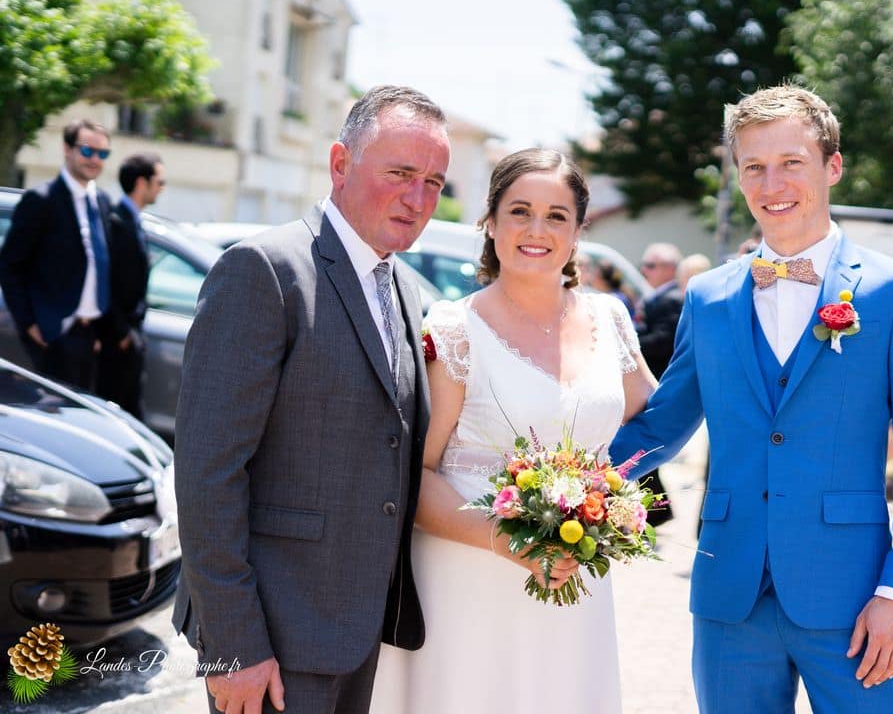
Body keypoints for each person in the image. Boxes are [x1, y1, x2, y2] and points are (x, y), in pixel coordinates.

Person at [609, 85, 893, 713]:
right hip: (729, 595)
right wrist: (568, 486)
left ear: (833, 166)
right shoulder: (708, 298)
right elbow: (664, 423)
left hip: (854, 597)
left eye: (792, 162)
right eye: (754, 166)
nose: (773, 183)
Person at [171, 86, 450, 714]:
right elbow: (206, 474)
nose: (419, 198)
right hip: (269, 642)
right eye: (401, 173)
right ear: (341, 164)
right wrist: (232, 646)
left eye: (434, 181)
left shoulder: (404, 287)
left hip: (359, 633)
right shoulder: (263, 270)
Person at [369, 148, 658, 713]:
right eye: (519, 210)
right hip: (470, 578)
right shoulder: (455, 329)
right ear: (491, 223)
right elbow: (412, 476)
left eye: (556, 216)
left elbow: (654, 420)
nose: (536, 229)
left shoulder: (612, 319)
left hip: (577, 575)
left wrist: (613, 503)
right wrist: (512, 542)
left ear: (578, 231)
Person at [0, 119, 114, 389]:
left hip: (90, 336)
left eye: (103, 153)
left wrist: (101, 331)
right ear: (67, 149)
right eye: (87, 151)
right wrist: (30, 324)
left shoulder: (102, 202)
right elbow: (9, 266)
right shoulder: (41, 200)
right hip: (51, 333)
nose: (94, 159)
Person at [96, 152, 165, 419]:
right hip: (117, 340)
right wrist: (122, 332)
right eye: (159, 181)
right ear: (141, 183)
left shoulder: (133, 221)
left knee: (132, 412)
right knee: (118, 415)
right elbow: (105, 281)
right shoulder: (116, 222)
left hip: (130, 337)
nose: (162, 188)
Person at [633, 241, 684, 526]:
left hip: (657, 383)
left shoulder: (673, 299)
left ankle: (657, 512)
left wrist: (629, 344)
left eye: (651, 265)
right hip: (647, 383)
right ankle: (656, 512)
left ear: (668, 269)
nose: (644, 270)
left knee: (647, 452)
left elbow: (665, 341)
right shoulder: (658, 297)